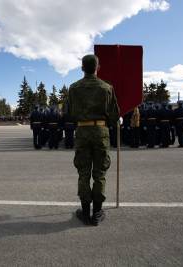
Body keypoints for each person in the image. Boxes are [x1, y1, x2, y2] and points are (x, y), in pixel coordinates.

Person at [68, 54, 119, 226]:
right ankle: (97, 212)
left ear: (82, 68)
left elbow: (68, 113)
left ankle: (85, 211)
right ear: (98, 67)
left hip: (82, 130)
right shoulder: (107, 88)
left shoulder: (74, 88)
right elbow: (114, 115)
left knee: (83, 172)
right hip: (101, 131)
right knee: (100, 173)